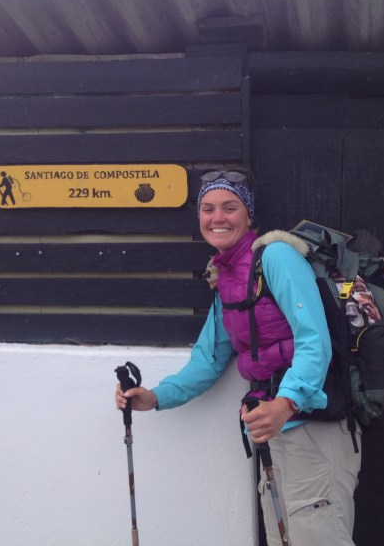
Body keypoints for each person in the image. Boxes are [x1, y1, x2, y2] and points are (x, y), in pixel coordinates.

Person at [115, 169, 361, 545]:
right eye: (208, 208)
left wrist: (286, 403)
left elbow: (315, 342)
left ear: (248, 216)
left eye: (230, 207)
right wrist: (155, 397)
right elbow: (209, 359)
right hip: (272, 431)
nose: (218, 217)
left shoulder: (276, 256)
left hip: (315, 428)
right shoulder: (227, 277)